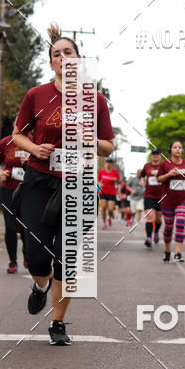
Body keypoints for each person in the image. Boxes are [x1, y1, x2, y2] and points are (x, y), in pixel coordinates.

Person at [11, 24, 114, 345]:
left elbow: (109, 146)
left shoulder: (95, 99)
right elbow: (17, 134)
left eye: (68, 52)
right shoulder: (36, 95)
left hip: (78, 184)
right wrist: (33, 148)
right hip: (39, 181)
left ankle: (58, 322)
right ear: (52, 63)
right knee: (37, 255)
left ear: (79, 59)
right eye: (57, 54)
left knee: (67, 258)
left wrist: (93, 140)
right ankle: (40, 285)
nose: (63, 58)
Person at [0, 134, 28, 273]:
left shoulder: (33, 140)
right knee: (10, 226)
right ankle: (12, 261)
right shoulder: (6, 141)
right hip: (7, 189)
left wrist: (27, 163)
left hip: (27, 189)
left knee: (26, 225)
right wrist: (0, 172)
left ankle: (28, 255)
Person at [156, 140, 185, 262]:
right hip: (167, 201)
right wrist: (169, 174)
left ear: (182, 150)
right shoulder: (164, 164)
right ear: (170, 150)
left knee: (181, 223)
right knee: (168, 227)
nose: (177, 149)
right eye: (175, 147)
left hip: (182, 199)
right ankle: (167, 251)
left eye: (180, 147)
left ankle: (178, 253)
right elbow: (158, 179)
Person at [139, 149, 164, 247]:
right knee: (150, 217)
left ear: (160, 156)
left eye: (157, 154)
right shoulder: (147, 166)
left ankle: (156, 232)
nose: (155, 156)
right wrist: (142, 180)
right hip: (149, 195)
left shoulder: (163, 166)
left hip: (161, 196)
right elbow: (142, 174)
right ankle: (148, 238)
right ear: (151, 156)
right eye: (153, 154)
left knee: (158, 218)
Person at [98, 157, 120, 229]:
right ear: (105, 163)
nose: (108, 164)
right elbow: (97, 181)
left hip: (112, 192)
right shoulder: (102, 171)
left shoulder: (115, 172)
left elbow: (120, 181)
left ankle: (109, 218)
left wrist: (116, 180)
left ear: (111, 164)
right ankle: (104, 223)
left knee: (110, 209)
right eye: (107, 162)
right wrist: (99, 185)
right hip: (103, 191)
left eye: (110, 163)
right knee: (103, 207)